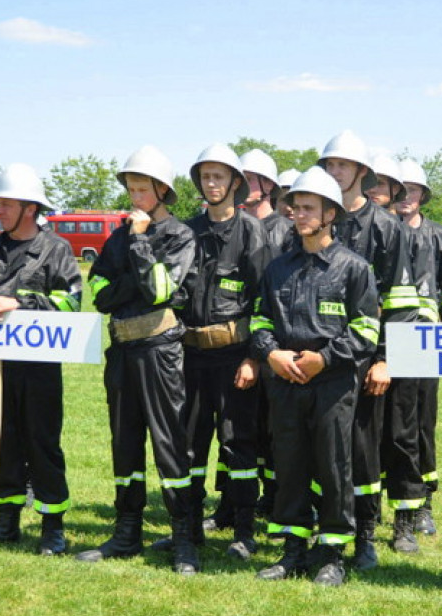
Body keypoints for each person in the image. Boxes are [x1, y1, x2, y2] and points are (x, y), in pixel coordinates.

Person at [251, 167, 379, 586]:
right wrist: (272, 354)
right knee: (289, 465)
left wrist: (324, 359)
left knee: (333, 466)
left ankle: (331, 555)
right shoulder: (277, 268)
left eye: (308, 208)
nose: (298, 213)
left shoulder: (353, 268)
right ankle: (291, 551)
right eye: (295, 207)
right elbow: (259, 320)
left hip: (333, 384)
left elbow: (366, 331)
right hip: (285, 381)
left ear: (330, 214)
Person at [75, 146, 199, 575]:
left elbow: (161, 290)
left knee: (168, 445)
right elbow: (101, 293)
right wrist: (134, 277)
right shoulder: (118, 235)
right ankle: (126, 533)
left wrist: (142, 242)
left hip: (159, 350)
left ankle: (185, 540)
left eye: (142, 189)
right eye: (131, 188)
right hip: (122, 349)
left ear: (163, 190)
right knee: (124, 443)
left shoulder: (180, 236)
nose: (134, 197)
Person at [0, 163, 82, 555]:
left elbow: (70, 301)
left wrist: (19, 303)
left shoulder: (55, 249)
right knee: (1, 443)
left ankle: (51, 526)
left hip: (39, 370)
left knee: (42, 444)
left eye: (6, 204)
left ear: (29, 208)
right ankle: (5, 522)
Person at [318, 130, 419, 570]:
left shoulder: (387, 228)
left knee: (363, 452)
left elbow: (400, 300)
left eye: (341, 165)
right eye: (329, 165)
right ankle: (323, 532)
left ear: (362, 172)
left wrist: (384, 360)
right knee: (321, 449)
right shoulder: (320, 217)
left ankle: (364, 537)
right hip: (320, 358)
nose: (334, 172)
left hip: (364, 360)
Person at [179, 143, 270, 560]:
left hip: (236, 358)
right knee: (190, 446)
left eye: (219, 176)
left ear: (236, 183)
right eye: (205, 176)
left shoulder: (253, 233)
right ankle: (190, 529)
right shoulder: (186, 232)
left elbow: (265, 301)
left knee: (239, 445)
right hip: (190, 356)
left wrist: (253, 357)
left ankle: (245, 532)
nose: (211, 184)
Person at [385, 158, 442, 546]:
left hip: (426, 345)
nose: (406, 197)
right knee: (389, 427)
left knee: (420, 427)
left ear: (422, 196)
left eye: (413, 190)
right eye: (401, 189)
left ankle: (423, 504)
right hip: (383, 342)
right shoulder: (383, 232)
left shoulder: (440, 238)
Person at [240, 148, 294, 519]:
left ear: (268, 186)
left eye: (249, 179)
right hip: (235, 344)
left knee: (275, 431)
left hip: (273, 346)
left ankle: (275, 498)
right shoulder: (234, 226)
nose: (240, 186)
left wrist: (262, 353)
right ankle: (235, 502)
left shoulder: (286, 231)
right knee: (241, 430)